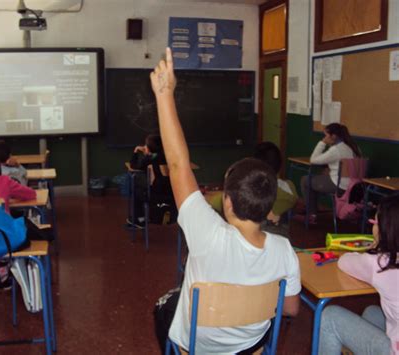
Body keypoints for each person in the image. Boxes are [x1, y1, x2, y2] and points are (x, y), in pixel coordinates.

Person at [151, 48, 300, 354]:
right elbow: (291, 309)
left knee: (164, 307)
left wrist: (165, 94)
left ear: (227, 201)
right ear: (269, 203)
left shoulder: (206, 233)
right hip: (251, 347)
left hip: (197, 347)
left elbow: (177, 165)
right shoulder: (284, 249)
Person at [319, 195, 399, 355]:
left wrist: (374, 247)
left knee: (329, 316)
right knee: (372, 312)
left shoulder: (381, 262)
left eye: (375, 223)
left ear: (384, 228)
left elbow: (344, 262)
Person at [300, 123, 361, 224]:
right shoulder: (353, 147)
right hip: (352, 187)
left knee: (305, 180)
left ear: (333, 136)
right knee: (319, 178)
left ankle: (311, 215)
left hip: (339, 186)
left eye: (326, 135)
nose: (325, 137)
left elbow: (313, 159)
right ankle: (313, 209)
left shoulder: (336, 150)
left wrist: (322, 142)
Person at [128, 134, 174, 228]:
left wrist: (136, 151)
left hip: (153, 195)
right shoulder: (169, 158)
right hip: (171, 193)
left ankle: (140, 219)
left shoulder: (148, 160)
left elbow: (133, 166)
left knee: (136, 190)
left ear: (149, 148)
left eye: (146, 145)